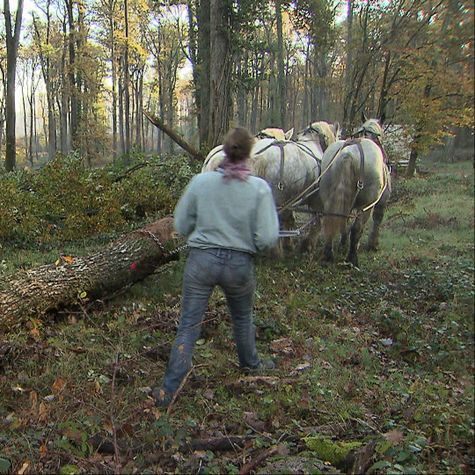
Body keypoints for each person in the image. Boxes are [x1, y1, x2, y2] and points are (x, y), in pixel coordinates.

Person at [152, 126, 280, 408]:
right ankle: (250, 365)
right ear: (249, 153)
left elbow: (182, 224)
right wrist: (249, 245)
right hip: (239, 265)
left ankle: (168, 390)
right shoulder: (259, 189)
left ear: (224, 151)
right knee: (243, 318)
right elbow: (268, 237)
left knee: (188, 325)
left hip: (201, 262)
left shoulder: (201, 182)